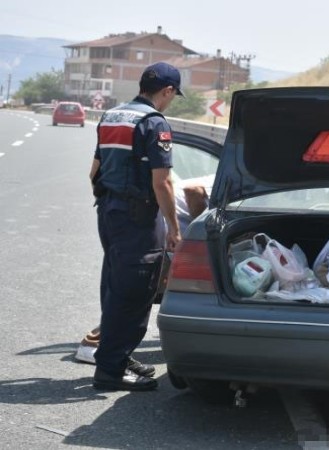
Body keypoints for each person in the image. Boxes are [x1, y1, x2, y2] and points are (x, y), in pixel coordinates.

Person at [87, 62, 183, 391]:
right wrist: (173, 227)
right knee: (135, 291)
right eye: (173, 95)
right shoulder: (154, 123)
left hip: (109, 211)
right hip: (138, 217)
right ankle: (111, 370)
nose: (171, 101)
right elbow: (162, 184)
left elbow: (93, 173)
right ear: (167, 91)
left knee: (116, 285)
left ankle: (118, 355)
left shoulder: (112, 116)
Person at [75, 180, 211, 365]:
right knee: (134, 298)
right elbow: (192, 191)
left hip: (139, 228)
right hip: (163, 240)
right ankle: (97, 346)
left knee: (133, 296)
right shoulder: (219, 181)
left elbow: (95, 175)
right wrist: (203, 239)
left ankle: (110, 350)